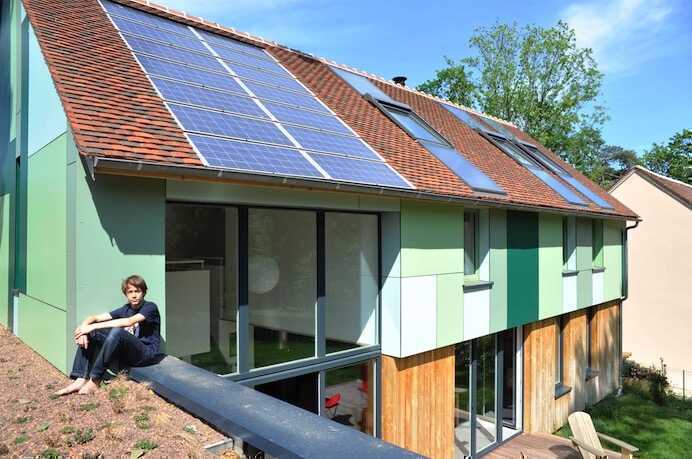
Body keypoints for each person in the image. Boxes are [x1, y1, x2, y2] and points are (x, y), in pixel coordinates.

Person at [55, 275, 162, 396]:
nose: (134, 295)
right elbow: (94, 318)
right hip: (128, 353)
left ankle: (94, 380)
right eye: (130, 292)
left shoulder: (150, 307)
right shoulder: (125, 309)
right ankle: (80, 379)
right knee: (92, 331)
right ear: (126, 294)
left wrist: (92, 327)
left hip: (145, 354)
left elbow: (129, 321)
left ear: (144, 292)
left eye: (137, 291)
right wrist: (84, 328)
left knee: (116, 332)